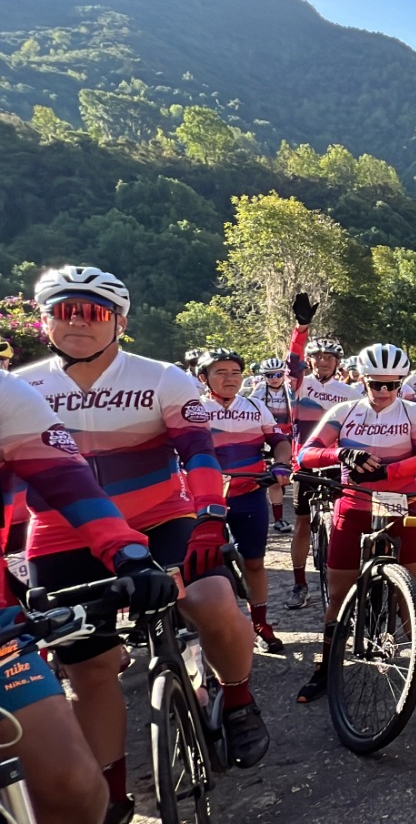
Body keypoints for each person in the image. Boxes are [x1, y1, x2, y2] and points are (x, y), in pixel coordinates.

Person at [19, 265, 268, 824]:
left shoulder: (163, 378)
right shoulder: (23, 389)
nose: (77, 321)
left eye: (94, 311)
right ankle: (111, 794)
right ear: (44, 322)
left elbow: (200, 453)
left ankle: (240, 698)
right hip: (62, 533)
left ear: (121, 322)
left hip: (163, 519)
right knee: (88, 665)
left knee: (211, 601)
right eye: (63, 310)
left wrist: (209, 516)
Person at [0, 368, 179, 824]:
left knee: (76, 789)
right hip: (48, 548)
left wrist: (129, 553)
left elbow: (69, 481)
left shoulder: (9, 394)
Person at [294, 343, 416, 702]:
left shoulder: (414, 412)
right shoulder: (344, 411)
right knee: (340, 593)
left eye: (392, 385)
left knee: (411, 589)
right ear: (362, 380)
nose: (383, 392)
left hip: (405, 505)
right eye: (376, 383)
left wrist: (393, 470)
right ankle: (326, 664)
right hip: (355, 505)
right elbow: (306, 454)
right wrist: (341, 452)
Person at [197, 347, 291, 653]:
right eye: (220, 372)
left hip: (249, 495)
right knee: (204, 568)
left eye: (235, 372)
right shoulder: (193, 410)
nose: (230, 379)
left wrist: (281, 464)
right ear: (203, 378)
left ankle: (260, 622)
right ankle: (208, 632)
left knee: (254, 561)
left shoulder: (254, 406)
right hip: (205, 501)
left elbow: (279, 441)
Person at [283, 295, 361, 609]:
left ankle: (345, 577)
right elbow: (292, 360)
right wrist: (301, 328)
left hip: (337, 463)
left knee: (347, 521)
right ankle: (299, 584)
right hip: (305, 461)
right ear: (311, 360)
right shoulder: (299, 384)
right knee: (302, 522)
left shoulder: (350, 392)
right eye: (319, 357)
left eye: (330, 357)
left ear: (338, 362)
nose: (324, 361)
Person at [251, 356, 294, 533]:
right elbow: (253, 410)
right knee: (275, 481)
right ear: (264, 377)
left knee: (285, 478)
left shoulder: (290, 389)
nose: (274, 378)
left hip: (289, 437)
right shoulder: (260, 390)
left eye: (278, 374)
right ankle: (279, 519)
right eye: (269, 375)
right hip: (269, 437)